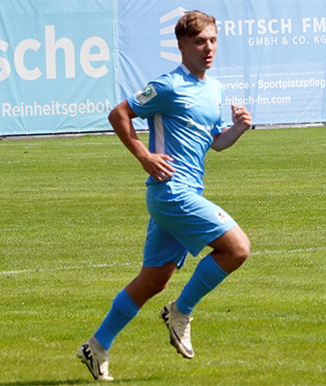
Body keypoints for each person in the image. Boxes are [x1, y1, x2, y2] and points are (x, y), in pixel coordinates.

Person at [77, 10, 252, 381]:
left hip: (186, 190)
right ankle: (181, 311)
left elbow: (215, 143)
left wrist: (238, 129)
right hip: (171, 192)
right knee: (237, 248)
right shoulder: (168, 85)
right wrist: (144, 155)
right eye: (200, 42)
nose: (208, 49)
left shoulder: (215, 89)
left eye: (213, 41)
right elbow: (119, 113)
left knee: (154, 280)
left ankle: (96, 346)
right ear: (182, 45)